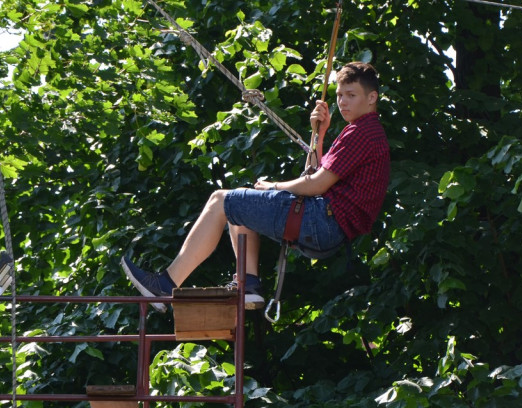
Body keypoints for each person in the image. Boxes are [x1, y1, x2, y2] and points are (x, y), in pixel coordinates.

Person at [121, 61, 390, 309]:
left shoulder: (362, 131)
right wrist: (319, 135)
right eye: (340, 95)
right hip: (328, 225)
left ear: (372, 98)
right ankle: (248, 283)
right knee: (243, 202)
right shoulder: (362, 131)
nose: (342, 102)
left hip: (323, 220)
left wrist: (273, 186)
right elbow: (317, 172)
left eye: (351, 95)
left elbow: (317, 184)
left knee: (220, 200)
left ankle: (166, 285)